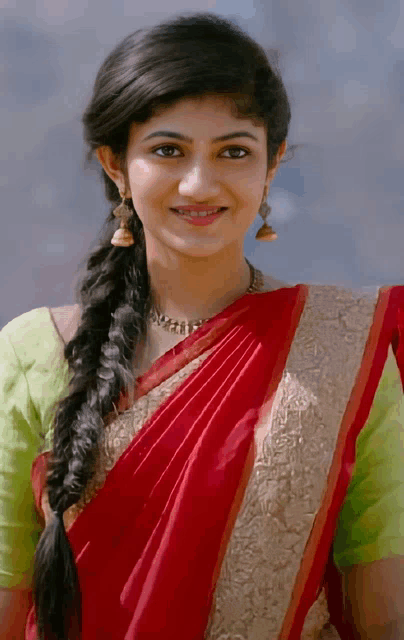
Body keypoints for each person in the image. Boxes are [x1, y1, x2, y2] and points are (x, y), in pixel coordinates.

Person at [0, 12, 403, 640]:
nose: (199, 183)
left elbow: (387, 610)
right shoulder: (34, 353)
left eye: (234, 151)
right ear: (115, 166)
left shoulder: (348, 348)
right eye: (167, 150)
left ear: (273, 163)